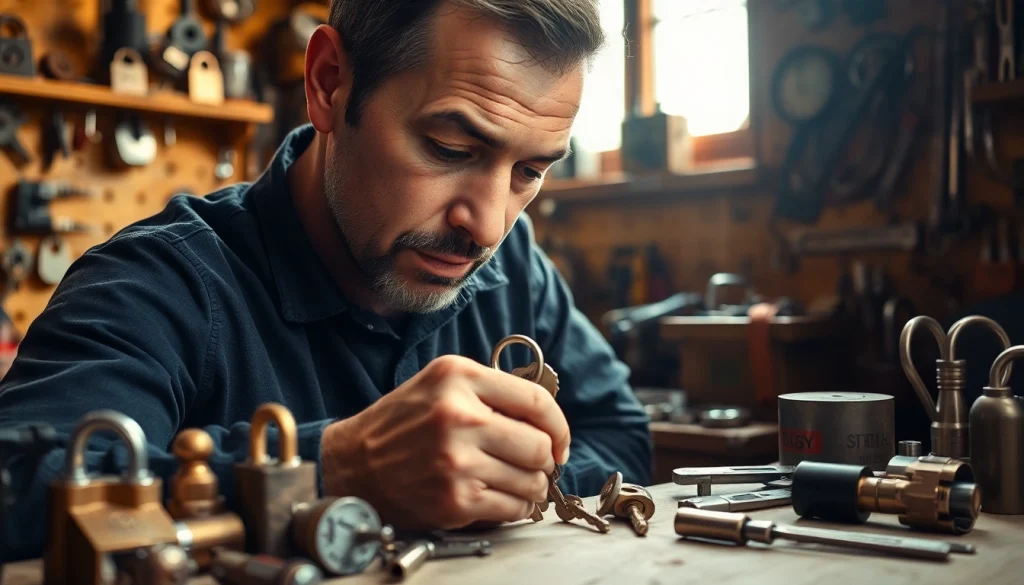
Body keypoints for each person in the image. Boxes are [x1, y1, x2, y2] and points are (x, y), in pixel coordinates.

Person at [0, 0, 651, 562]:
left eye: (529, 172)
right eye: (451, 150)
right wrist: (337, 469)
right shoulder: (156, 283)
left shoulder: (514, 268)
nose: (485, 225)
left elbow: (623, 436)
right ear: (329, 83)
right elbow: (19, 491)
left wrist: (505, 481)